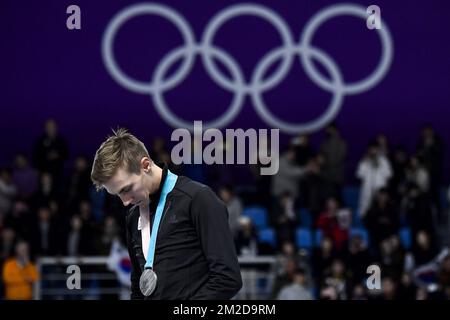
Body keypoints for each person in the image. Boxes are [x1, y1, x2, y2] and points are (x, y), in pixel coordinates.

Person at [91, 128, 242, 300]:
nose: (124, 201)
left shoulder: (198, 199)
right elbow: (138, 289)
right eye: (118, 194)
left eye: (126, 189)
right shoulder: (133, 217)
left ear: (146, 165)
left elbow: (228, 279)